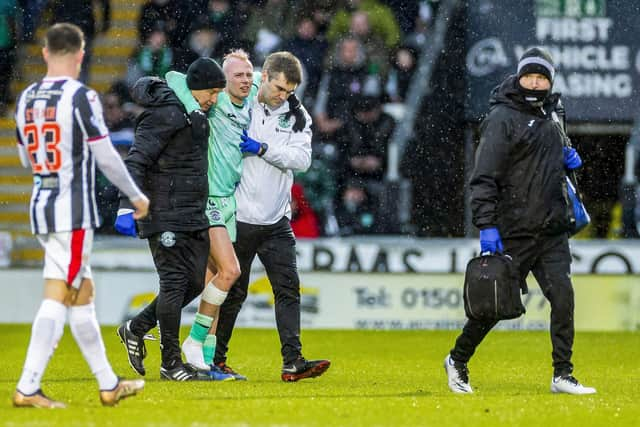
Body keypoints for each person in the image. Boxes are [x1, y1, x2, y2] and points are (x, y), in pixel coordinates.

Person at [443, 47, 596, 395]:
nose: (535, 82)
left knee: (564, 299)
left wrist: (569, 161)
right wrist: (486, 225)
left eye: (542, 77)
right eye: (530, 75)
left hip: (553, 229)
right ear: (519, 76)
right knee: (495, 306)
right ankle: (457, 360)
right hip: (514, 230)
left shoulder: (553, 114)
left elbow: (545, 167)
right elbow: (484, 177)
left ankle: (563, 374)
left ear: (550, 80)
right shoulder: (501, 118)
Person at [13, 23, 148, 408]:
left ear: (43, 54)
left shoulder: (25, 99)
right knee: (59, 296)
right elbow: (105, 154)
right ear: (81, 55)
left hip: (42, 204)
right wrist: (136, 195)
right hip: (71, 211)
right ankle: (28, 386)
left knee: (82, 296)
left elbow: (25, 157)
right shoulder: (80, 96)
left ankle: (108, 384)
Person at [215, 51, 330, 382]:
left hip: (275, 221)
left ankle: (292, 362)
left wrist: (263, 149)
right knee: (233, 293)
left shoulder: (298, 115)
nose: (284, 96)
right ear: (263, 76)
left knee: (288, 288)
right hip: (238, 217)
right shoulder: (239, 103)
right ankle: (216, 360)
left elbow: (302, 159)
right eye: (279, 88)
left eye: (290, 91)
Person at [114, 57, 225, 381]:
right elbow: (136, 160)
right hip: (163, 212)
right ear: (196, 88)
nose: (214, 99)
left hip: (191, 213)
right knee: (175, 283)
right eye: (212, 92)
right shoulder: (166, 113)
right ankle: (171, 364)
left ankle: (136, 328)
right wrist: (125, 205)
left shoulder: (194, 114)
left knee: (193, 282)